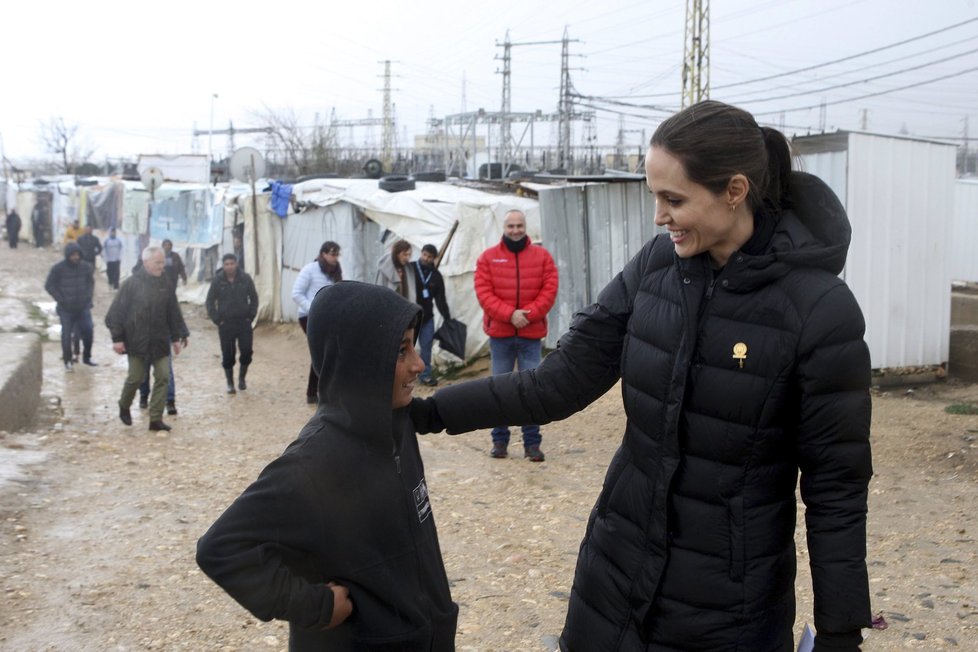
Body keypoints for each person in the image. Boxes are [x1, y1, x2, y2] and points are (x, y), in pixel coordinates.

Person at [411, 101, 873, 651]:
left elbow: (836, 486)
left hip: (728, 607)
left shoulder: (819, 309)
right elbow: (556, 383)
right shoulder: (656, 266)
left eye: (674, 200)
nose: (659, 216)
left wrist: (841, 630)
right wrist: (427, 413)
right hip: (614, 573)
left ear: (734, 190)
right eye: (655, 197)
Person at [196, 281, 458, 651]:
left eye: (414, 346)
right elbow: (219, 548)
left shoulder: (396, 425)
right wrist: (313, 606)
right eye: (401, 351)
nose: (420, 364)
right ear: (359, 362)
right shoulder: (313, 463)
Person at [473, 208, 558, 462]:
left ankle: (532, 443)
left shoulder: (542, 257)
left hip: (530, 335)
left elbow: (549, 289)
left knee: (531, 389)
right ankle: (499, 441)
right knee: (500, 388)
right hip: (501, 335)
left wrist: (527, 315)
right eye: (511, 226)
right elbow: (483, 292)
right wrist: (510, 314)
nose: (515, 230)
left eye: (519, 225)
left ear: (526, 227)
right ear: (504, 228)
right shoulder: (488, 258)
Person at [105, 246, 190, 432]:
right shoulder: (131, 285)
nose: (162, 266)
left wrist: (177, 336)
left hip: (160, 341)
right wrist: (117, 339)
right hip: (137, 341)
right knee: (135, 378)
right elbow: (114, 315)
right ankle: (124, 404)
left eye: (163, 262)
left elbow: (173, 312)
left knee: (163, 377)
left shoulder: (166, 284)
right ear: (146, 263)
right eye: (157, 263)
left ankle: (155, 418)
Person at [291, 241, 342, 404]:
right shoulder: (310, 270)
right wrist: (313, 309)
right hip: (308, 317)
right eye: (332, 254)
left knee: (328, 352)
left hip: (329, 318)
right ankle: (314, 392)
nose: (335, 258)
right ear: (323, 254)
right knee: (322, 352)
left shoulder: (337, 271)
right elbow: (296, 293)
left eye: (337, 254)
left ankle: (320, 391)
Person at [206, 253, 259, 394]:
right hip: (226, 324)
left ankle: (242, 378)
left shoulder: (245, 279)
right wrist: (218, 319)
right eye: (226, 264)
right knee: (228, 354)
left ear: (236, 264)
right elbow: (210, 301)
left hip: (244, 323)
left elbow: (254, 298)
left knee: (247, 351)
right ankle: (230, 382)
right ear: (223, 266)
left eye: (232, 263)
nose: (229, 266)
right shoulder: (218, 281)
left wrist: (251, 316)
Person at [44, 242, 96, 370]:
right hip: (66, 309)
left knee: (88, 331)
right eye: (73, 255)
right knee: (66, 335)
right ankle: (67, 360)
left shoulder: (86, 267)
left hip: (83, 307)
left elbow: (91, 283)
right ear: (67, 255)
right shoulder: (58, 269)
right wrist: (61, 299)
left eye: (77, 254)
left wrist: (88, 297)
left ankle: (87, 357)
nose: (75, 257)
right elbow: (49, 285)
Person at [412, 244, 452, 386]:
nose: (426, 258)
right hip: (409, 318)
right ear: (421, 253)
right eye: (424, 255)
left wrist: (447, 318)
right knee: (405, 347)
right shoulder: (410, 269)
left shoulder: (435, 275)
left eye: (429, 257)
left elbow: (440, 300)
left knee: (426, 347)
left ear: (434, 258)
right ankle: (403, 375)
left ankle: (425, 375)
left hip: (427, 318)